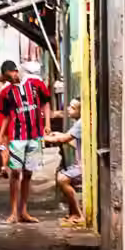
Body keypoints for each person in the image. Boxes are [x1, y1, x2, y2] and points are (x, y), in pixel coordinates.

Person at [0, 60, 52, 223]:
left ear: (15, 71)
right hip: (17, 136)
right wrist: (1, 135)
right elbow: (6, 115)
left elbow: (45, 103)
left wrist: (47, 123)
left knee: (28, 173)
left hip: (35, 135)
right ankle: (13, 213)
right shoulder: (6, 93)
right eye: (6, 78)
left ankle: (24, 211)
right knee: (15, 173)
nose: (10, 79)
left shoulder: (36, 83)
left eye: (10, 75)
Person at [43, 97, 84, 226]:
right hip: (80, 164)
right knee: (61, 176)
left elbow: (65, 139)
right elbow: (70, 140)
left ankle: (79, 214)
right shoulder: (78, 123)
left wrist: (44, 138)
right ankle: (73, 213)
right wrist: (58, 135)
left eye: (72, 107)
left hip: (83, 166)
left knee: (62, 179)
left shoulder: (80, 123)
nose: (68, 109)